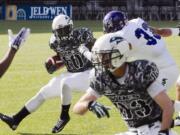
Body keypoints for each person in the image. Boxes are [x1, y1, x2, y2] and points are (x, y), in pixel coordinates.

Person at [0, 14, 95, 133]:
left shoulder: (83, 34)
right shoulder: (54, 42)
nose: (63, 34)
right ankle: (15, 120)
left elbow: (96, 51)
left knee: (66, 83)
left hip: (89, 73)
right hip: (71, 73)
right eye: (59, 31)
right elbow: (65, 57)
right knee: (44, 92)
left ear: (71, 27)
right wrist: (54, 63)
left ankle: (64, 116)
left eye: (65, 30)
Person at [73, 33, 176, 135]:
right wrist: (89, 104)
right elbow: (77, 108)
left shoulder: (139, 71)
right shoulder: (101, 77)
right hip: (133, 131)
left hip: (155, 128)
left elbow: (167, 106)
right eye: (99, 56)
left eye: (105, 56)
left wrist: (163, 132)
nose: (100, 60)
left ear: (120, 52)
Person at [102, 11, 180, 123]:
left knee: (151, 100)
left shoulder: (122, 37)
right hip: (161, 68)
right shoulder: (137, 22)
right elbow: (159, 31)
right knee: (146, 99)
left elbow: (113, 60)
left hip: (164, 71)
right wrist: (176, 31)